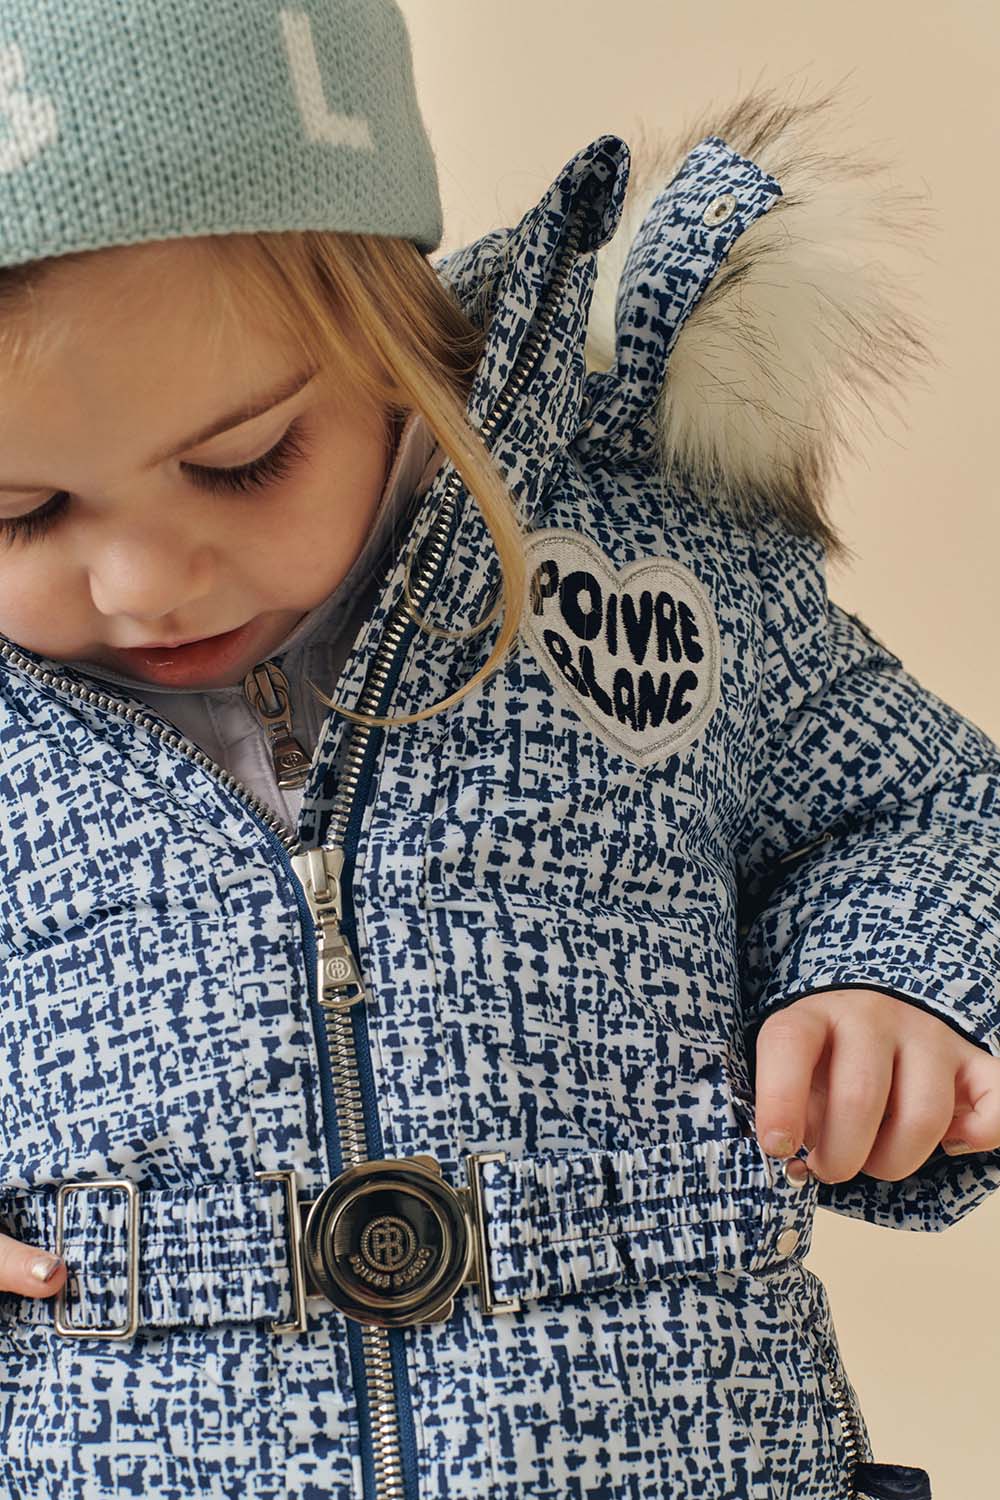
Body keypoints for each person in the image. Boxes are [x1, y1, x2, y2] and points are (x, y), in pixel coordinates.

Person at [0, 3, 995, 1498]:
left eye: (243, 460)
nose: (145, 583)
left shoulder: (645, 552)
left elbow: (922, 807)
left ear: (402, 345)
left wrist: (894, 975)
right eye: (19, 513)